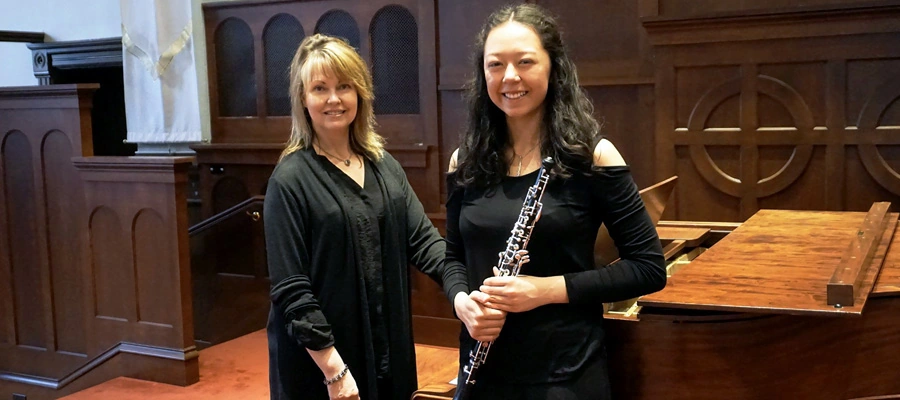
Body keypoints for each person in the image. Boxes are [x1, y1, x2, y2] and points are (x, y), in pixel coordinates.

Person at [445, 4, 667, 399]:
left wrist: (544, 290)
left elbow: (648, 268)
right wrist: (463, 303)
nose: (510, 77)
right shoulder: (466, 162)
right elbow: (453, 257)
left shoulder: (593, 158)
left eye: (525, 62)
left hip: (565, 375)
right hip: (484, 369)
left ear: (553, 67)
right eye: (495, 65)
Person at [263, 34, 472, 400]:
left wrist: (461, 292)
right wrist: (333, 370)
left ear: (360, 92)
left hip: (387, 345)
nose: (333, 99)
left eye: (344, 86)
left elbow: (424, 242)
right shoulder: (289, 179)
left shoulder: (383, 166)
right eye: (319, 88)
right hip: (322, 362)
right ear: (302, 99)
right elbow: (291, 290)